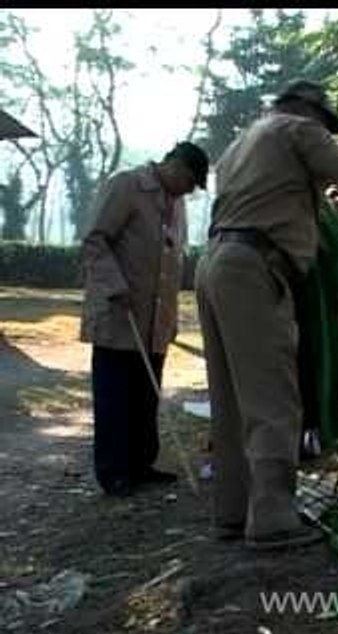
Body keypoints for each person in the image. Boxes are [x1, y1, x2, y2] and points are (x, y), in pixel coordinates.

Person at [197, 79, 338, 550]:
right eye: (324, 124)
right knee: (273, 396)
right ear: (305, 110)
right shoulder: (295, 128)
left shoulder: (241, 143)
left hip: (215, 263)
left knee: (231, 399)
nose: (324, 133)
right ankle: (273, 517)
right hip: (256, 267)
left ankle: (233, 511)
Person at [79, 141, 209, 497]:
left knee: (145, 396)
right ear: (175, 165)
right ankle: (114, 472)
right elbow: (95, 240)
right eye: (190, 181)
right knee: (115, 397)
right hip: (120, 314)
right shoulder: (126, 185)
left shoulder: (176, 204)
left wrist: (171, 318)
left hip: (155, 321)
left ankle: (141, 464)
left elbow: (171, 259)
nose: (189, 191)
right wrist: (113, 284)